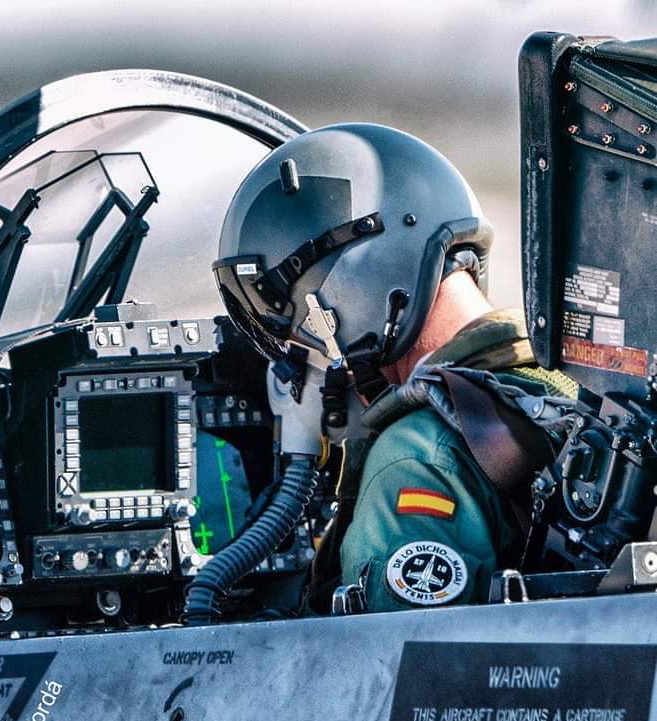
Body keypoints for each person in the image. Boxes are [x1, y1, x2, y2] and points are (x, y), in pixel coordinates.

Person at [212, 122, 575, 613]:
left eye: (298, 327)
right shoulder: (571, 387)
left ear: (354, 290)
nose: (303, 354)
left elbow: (391, 658)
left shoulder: (418, 456)